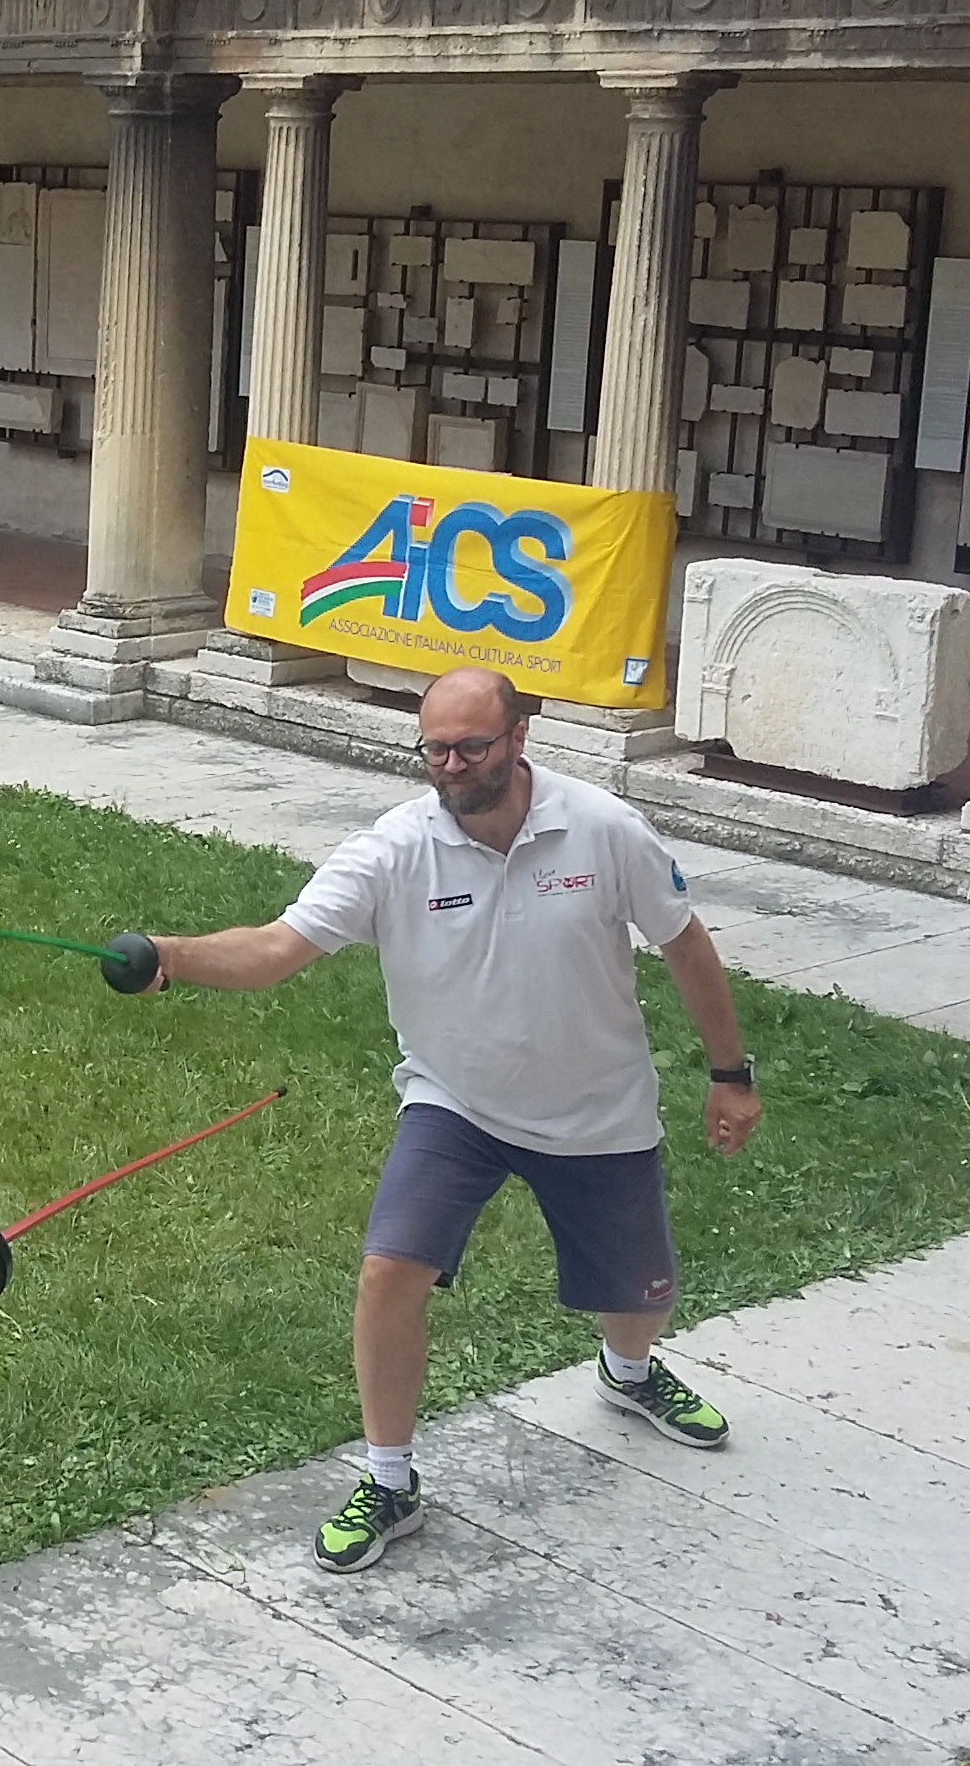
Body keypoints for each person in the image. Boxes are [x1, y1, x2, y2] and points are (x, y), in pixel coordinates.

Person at [121, 666, 760, 1575]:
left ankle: (628, 1373)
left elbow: (684, 942)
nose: (452, 767)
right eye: (435, 750)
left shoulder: (603, 829)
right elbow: (274, 949)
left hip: (596, 1107)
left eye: (471, 748)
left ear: (519, 738)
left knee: (638, 1297)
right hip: (454, 1102)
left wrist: (730, 1074)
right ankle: (389, 1480)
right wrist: (171, 955)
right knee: (389, 1270)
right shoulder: (393, 851)